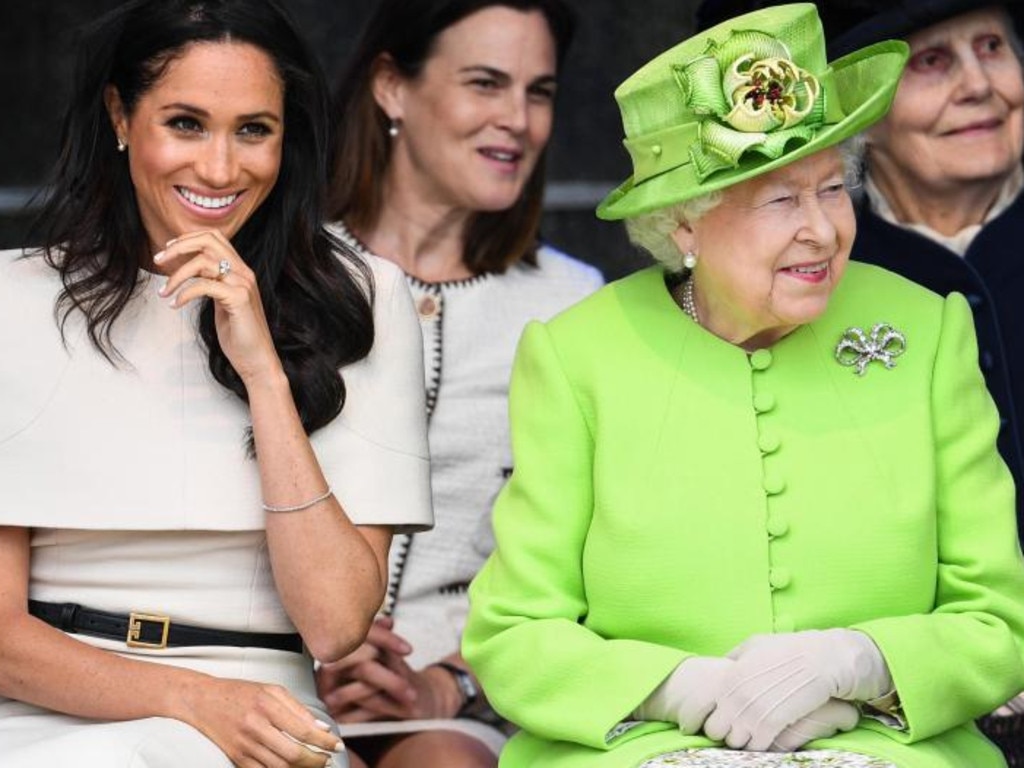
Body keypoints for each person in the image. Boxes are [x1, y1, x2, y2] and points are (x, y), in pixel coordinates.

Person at [462, 4, 1024, 767]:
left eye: (832, 189)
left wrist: (859, 665)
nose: (822, 232)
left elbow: (999, 620)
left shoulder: (926, 332)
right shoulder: (576, 356)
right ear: (683, 226)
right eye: (781, 200)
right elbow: (513, 636)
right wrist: (683, 688)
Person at [0, 0, 432, 766]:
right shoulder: (14, 302)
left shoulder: (366, 300)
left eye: (253, 130)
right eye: (186, 124)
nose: (221, 169)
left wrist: (262, 370)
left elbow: (335, 626)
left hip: (268, 714)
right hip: (47, 712)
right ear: (120, 115)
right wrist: (190, 700)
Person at [312, 1, 603, 766]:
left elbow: (601, 560)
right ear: (392, 87)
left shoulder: (574, 303)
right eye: (486, 83)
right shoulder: (284, 273)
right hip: (273, 670)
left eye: (538, 92)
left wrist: (452, 682)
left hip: (471, 696)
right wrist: (314, 644)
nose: (518, 119)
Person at [694, 0, 1024, 551]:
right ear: (858, 111)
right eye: (933, 61)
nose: (978, 85)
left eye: (992, 48)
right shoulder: (804, 272)